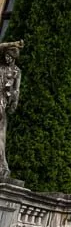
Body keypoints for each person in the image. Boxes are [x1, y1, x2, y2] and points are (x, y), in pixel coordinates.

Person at [0, 42, 22, 181]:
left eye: (10, 56)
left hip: (3, 101)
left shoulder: (16, 71)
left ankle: (2, 163)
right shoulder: (1, 68)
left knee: (1, 133)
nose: (7, 58)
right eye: (6, 55)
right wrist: (12, 44)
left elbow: (17, 89)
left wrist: (14, 101)